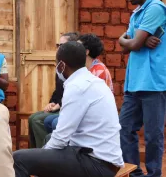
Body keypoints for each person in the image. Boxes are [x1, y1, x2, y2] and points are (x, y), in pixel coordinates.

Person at [13, 42, 124, 177]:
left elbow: (61, 137)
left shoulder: (77, 87)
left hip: (96, 164)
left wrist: (40, 161)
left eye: (56, 63)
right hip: (106, 161)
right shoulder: (93, 81)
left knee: (18, 159)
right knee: (48, 139)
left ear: (62, 65)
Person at [116, 0, 166, 177]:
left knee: (153, 135)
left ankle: (154, 174)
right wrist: (128, 40)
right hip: (134, 81)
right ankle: (134, 173)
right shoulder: (136, 12)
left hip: (153, 81)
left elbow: (133, 43)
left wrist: (133, 40)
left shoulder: (156, 8)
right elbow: (126, 47)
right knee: (125, 129)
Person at [43, 33, 114, 135]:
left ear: (86, 52)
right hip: (80, 110)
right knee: (49, 121)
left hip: (93, 115)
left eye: (78, 46)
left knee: (56, 123)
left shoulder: (99, 71)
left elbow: (86, 99)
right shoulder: (82, 67)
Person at [28, 32, 79, 148]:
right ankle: (35, 151)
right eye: (57, 45)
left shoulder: (74, 66)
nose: (58, 48)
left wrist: (59, 105)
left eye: (61, 45)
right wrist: (52, 102)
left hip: (67, 107)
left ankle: (44, 152)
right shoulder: (60, 66)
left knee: (38, 120)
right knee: (32, 118)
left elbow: (73, 93)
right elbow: (58, 91)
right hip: (59, 105)